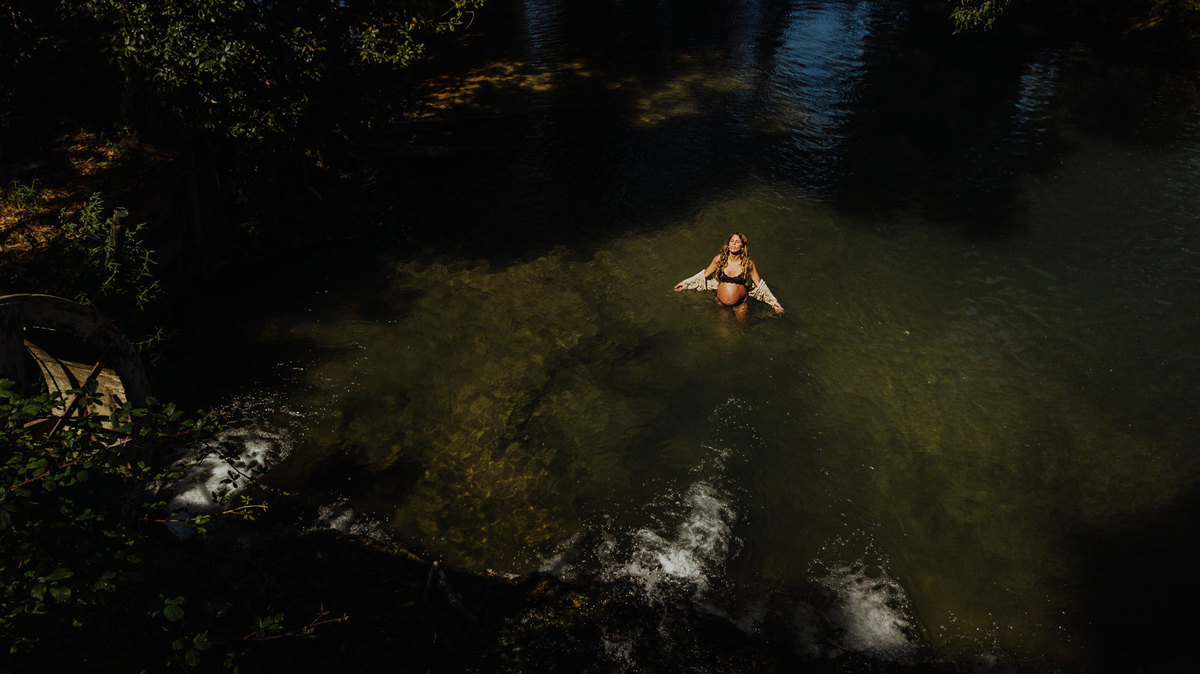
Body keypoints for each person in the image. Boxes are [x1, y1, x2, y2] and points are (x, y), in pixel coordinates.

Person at [674, 232, 784, 316]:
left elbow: (760, 285)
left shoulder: (748, 263)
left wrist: (774, 303)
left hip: (741, 304)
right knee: (724, 331)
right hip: (720, 302)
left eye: (737, 242)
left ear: (742, 246)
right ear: (728, 243)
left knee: (742, 328)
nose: (734, 244)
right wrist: (684, 284)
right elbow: (704, 275)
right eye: (732, 241)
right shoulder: (719, 259)